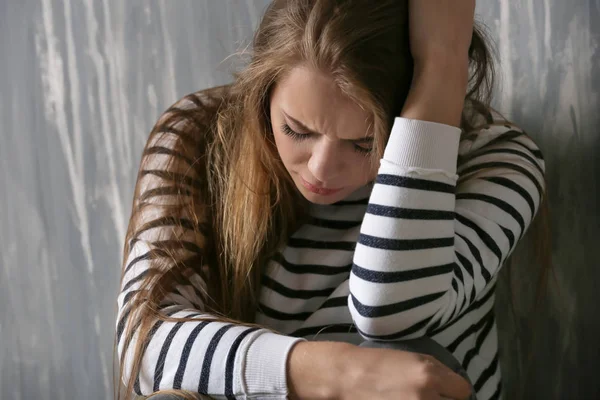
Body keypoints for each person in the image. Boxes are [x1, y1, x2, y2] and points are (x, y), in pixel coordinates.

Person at [115, 1, 548, 399]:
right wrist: (343, 373)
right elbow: (145, 348)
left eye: (363, 143)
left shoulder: (495, 159)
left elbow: (390, 309)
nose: (321, 169)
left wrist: (442, 60)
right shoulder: (197, 134)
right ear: (263, 91)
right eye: (297, 130)